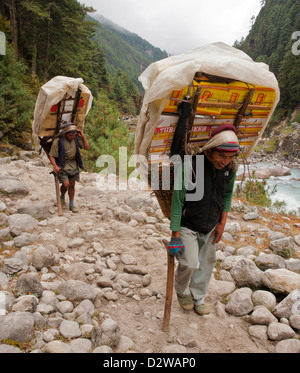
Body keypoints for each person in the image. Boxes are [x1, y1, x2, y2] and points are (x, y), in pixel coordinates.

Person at [167, 124, 239, 315]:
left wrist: (222, 223)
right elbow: (178, 200)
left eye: (231, 157)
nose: (225, 161)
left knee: (206, 264)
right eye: (221, 156)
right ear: (210, 149)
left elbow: (227, 195)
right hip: (188, 225)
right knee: (190, 264)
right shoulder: (191, 165)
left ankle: (198, 296)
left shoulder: (230, 169)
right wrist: (175, 235)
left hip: (211, 226)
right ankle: (182, 292)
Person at [48, 123, 89, 213]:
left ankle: (71, 204)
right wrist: (55, 166)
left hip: (73, 165)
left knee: (72, 185)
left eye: (74, 135)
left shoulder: (76, 139)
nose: (72, 137)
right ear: (65, 134)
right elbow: (51, 155)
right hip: (62, 165)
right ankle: (62, 197)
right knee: (66, 184)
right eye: (70, 135)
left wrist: (83, 137)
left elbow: (87, 148)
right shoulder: (58, 141)